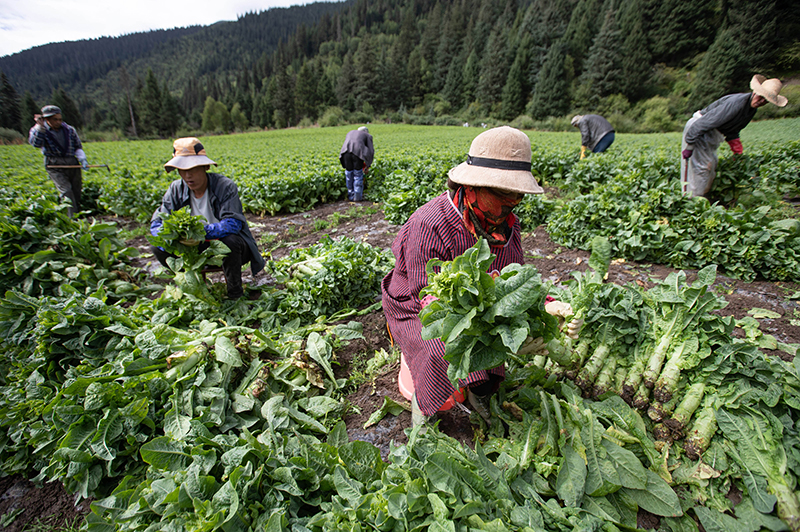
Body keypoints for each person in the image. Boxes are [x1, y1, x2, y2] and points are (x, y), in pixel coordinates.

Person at [381, 126, 579, 427]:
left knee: (502, 340)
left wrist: (546, 306)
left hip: (479, 305)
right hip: (418, 304)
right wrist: (481, 325)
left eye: (517, 197)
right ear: (474, 186)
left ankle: (480, 392)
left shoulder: (506, 225)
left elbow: (514, 279)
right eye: (503, 195)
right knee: (443, 349)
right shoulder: (430, 222)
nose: (510, 205)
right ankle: (425, 420)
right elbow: (429, 297)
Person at [150, 137, 265, 300]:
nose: (188, 175)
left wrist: (200, 233)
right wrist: (177, 236)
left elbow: (233, 223)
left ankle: (235, 295)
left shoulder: (224, 186)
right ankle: (190, 289)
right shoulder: (175, 189)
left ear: (205, 167)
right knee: (158, 246)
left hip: (225, 247)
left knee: (230, 240)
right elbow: (156, 224)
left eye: (193, 169)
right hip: (191, 250)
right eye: (182, 170)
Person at [681, 74, 788, 197]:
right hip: (700, 131)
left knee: (711, 165)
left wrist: (737, 150)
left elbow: (732, 130)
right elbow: (701, 124)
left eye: (766, 100)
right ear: (755, 92)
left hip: (711, 132)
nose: (761, 101)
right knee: (702, 167)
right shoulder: (737, 104)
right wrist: (689, 146)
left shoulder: (750, 109)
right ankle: (692, 201)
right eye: (761, 97)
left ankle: (703, 197)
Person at [28, 105, 89, 217]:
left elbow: (77, 146)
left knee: (76, 190)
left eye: (60, 119)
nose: (58, 122)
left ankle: (77, 213)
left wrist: (82, 159)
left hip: (71, 161)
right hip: (54, 164)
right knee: (66, 191)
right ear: (47, 119)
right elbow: (36, 144)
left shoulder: (69, 130)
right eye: (55, 119)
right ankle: (72, 219)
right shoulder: (39, 130)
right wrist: (40, 128)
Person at [339, 126, 374, 202]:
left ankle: (350, 196)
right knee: (358, 174)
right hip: (357, 153)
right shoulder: (368, 135)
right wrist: (368, 165)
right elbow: (371, 151)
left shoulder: (350, 132)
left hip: (345, 152)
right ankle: (357, 197)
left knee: (349, 173)